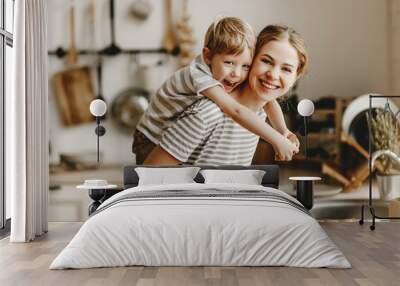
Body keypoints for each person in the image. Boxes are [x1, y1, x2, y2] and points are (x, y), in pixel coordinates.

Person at [133, 17, 298, 164]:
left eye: (245, 66)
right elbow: (234, 110)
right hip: (150, 137)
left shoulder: (231, 80)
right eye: (229, 62)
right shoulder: (199, 76)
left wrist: (283, 131)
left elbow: (268, 101)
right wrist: (276, 140)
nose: (237, 73)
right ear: (207, 56)